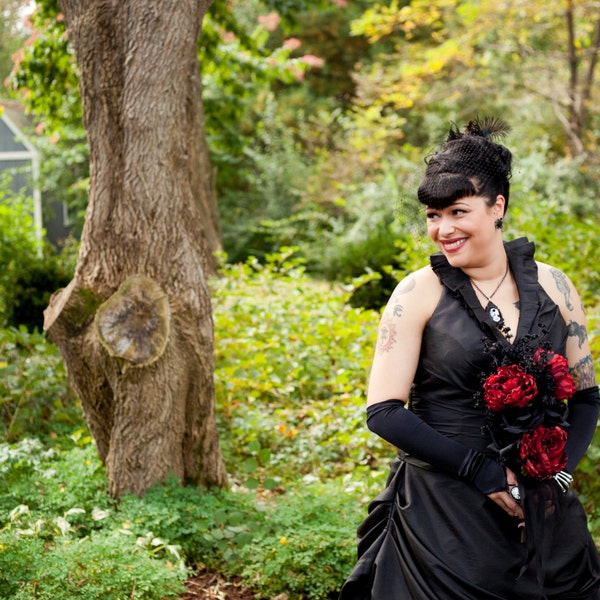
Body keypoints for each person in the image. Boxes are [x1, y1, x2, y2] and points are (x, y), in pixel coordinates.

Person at [339, 118, 600, 600]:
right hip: (443, 518)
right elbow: (383, 412)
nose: (443, 229)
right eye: (433, 216)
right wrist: (479, 470)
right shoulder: (417, 292)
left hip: (543, 511)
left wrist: (557, 472)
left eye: (458, 211)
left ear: (497, 206)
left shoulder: (555, 286)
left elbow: (587, 398)